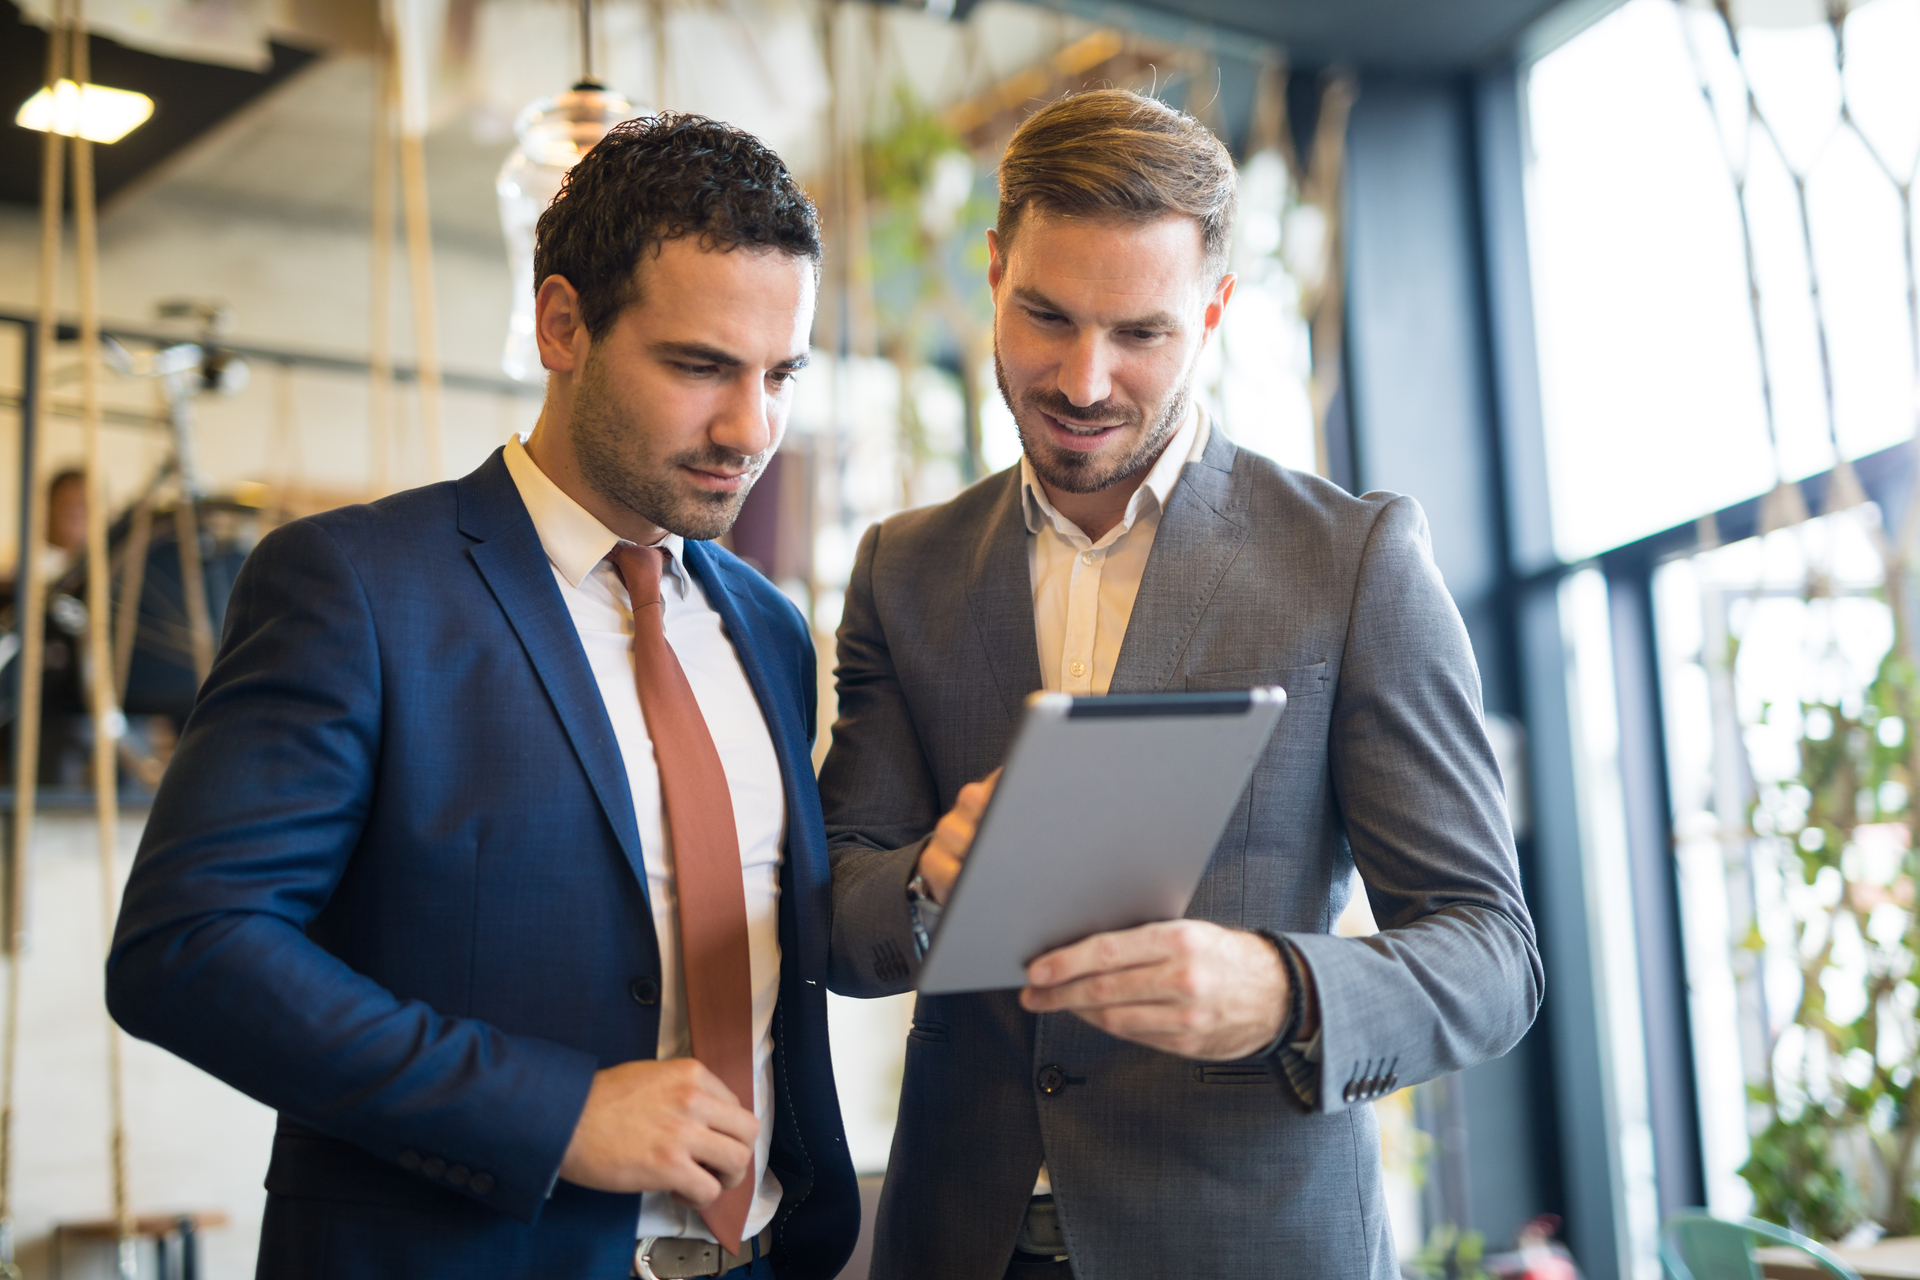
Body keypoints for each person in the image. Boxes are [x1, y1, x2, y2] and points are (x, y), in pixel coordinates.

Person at [107, 114, 857, 1280]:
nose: (750, 427)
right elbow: (189, 947)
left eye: (782, 375)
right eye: (700, 365)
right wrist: (552, 1112)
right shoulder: (355, 586)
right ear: (563, 324)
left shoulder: (769, 628)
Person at [820, 89, 1542, 1280]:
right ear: (994, 270)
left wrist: (1283, 990)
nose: (1086, 379)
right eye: (1046, 315)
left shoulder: (1351, 561)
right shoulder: (907, 569)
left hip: (1248, 1241)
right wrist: (923, 884)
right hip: (961, 1243)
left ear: (1212, 311)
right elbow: (841, 917)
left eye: (1141, 333)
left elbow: (1491, 955)